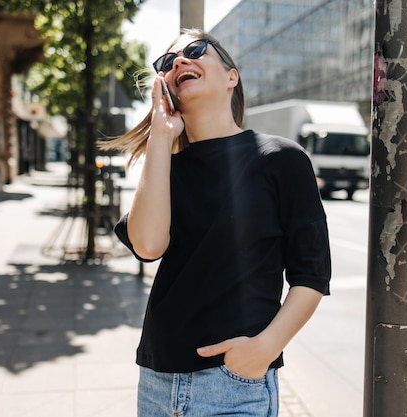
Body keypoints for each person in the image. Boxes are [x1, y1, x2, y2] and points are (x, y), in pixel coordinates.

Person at [101, 28, 331, 417]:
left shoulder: (280, 159)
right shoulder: (164, 168)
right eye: (166, 64)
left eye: (194, 51)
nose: (178, 63)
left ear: (231, 76)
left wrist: (263, 350)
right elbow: (147, 246)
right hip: (157, 382)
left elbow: (312, 276)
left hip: (234, 386)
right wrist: (160, 137)